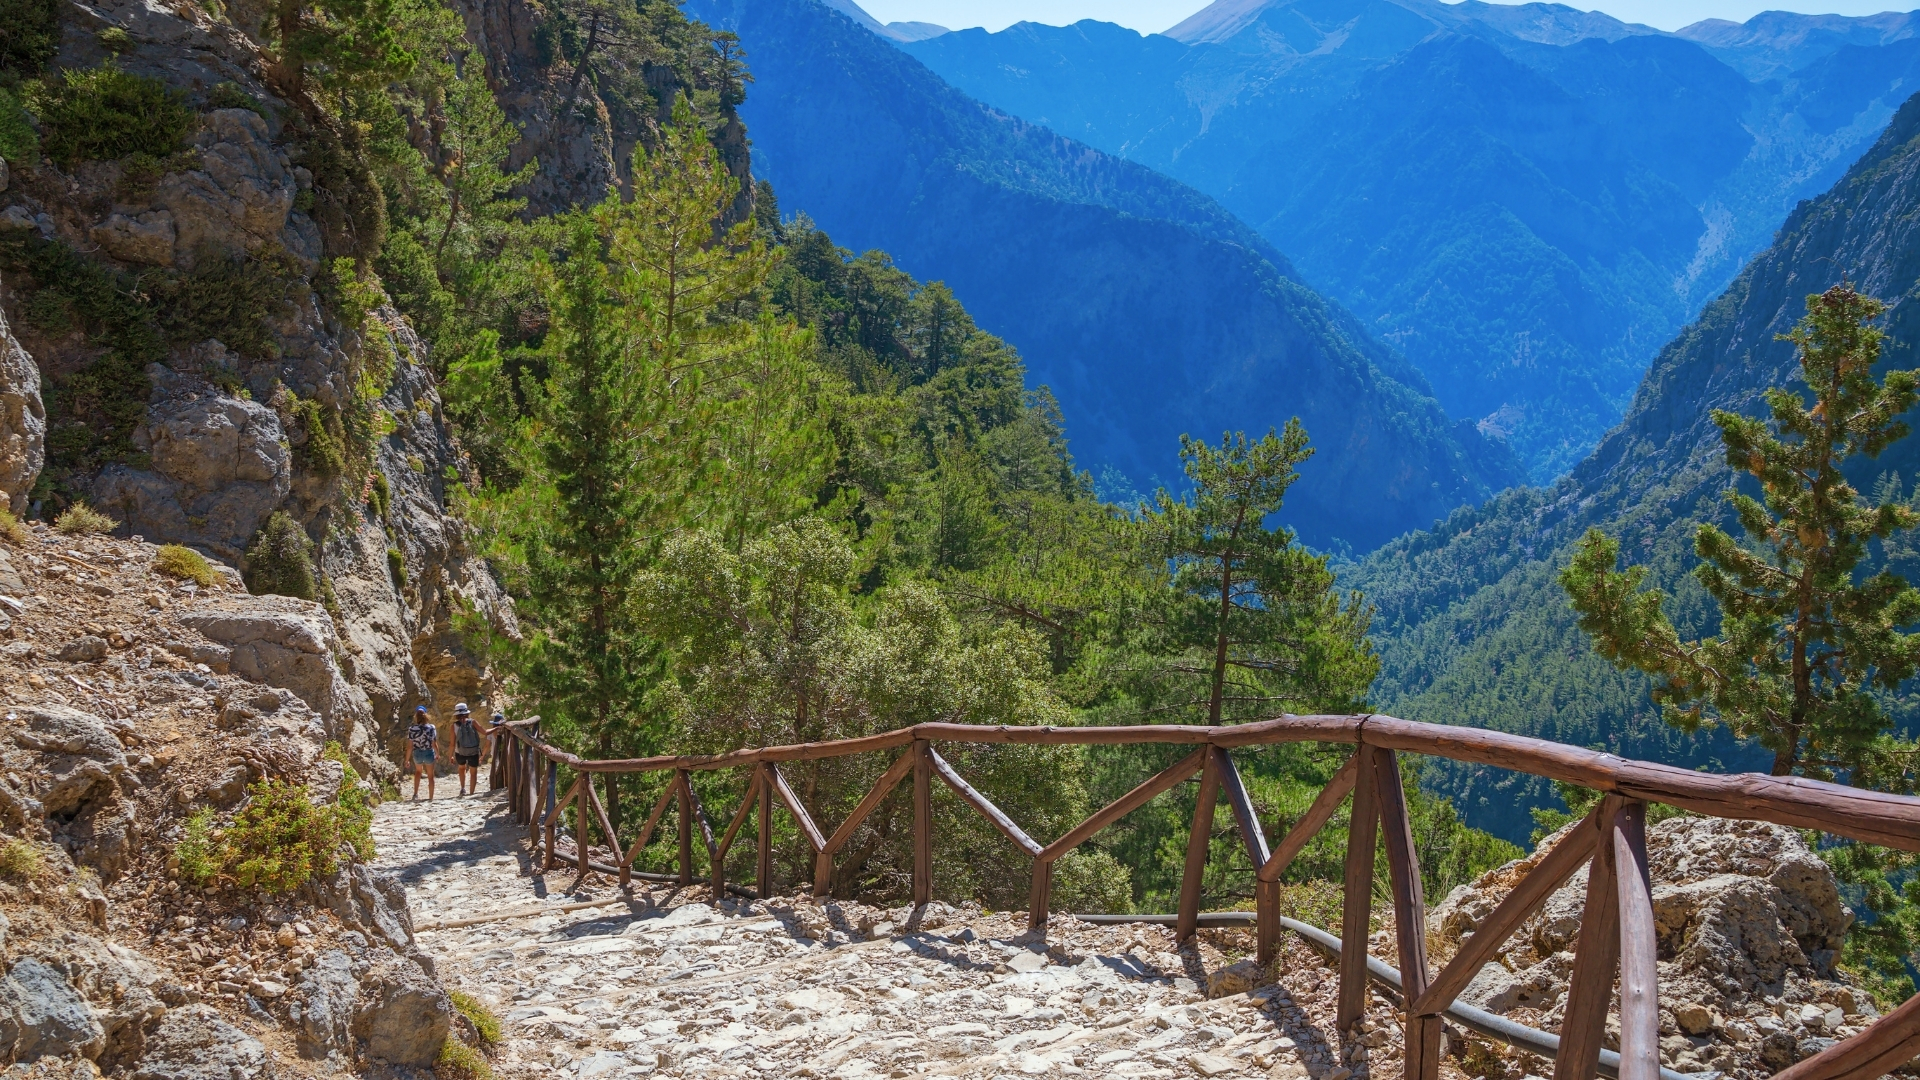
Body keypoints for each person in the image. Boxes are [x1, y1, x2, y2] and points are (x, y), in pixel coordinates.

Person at [451, 703, 483, 796]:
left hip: (459, 751)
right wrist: (496, 728)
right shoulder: (473, 722)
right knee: (473, 772)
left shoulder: (454, 726)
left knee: (461, 768)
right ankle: (472, 793)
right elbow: (484, 732)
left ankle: (463, 788)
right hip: (473, 750)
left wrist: (450, 756)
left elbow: (452, 744)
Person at [407, 705, 438, 801]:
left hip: (417, 752)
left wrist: (407, 760)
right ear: (426, 715)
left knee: (418, 772)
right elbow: (434, 743)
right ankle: (431, 797)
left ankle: (415, 794)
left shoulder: (412, 729)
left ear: (416, 716)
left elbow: (410, 747)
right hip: (428, 752)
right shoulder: (431, 728)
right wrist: (437, 753)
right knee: (430, 775)